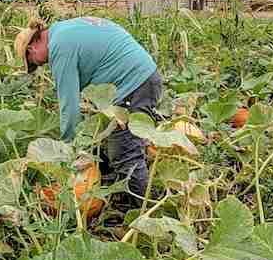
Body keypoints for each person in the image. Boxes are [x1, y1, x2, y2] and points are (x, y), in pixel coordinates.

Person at [13, 16, 162, 201]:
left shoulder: (59, 47)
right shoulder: (63, 29)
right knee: (113, 142)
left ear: (31, 49)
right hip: (143, 76)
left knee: (125, 153)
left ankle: (146, 207)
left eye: (35, 62)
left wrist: (71, 149)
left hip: (132, 84)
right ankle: (120, 192)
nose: (42, 65)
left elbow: (69, 103)